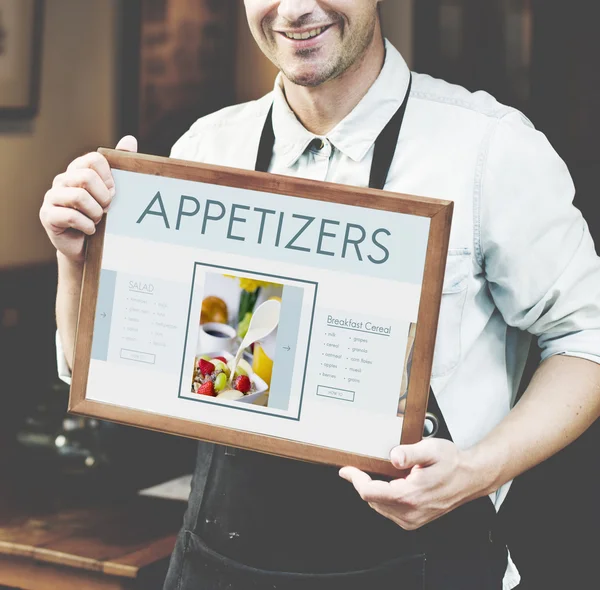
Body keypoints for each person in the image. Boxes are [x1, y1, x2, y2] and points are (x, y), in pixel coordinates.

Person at [40, 1, 600, 589]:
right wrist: (74, 258)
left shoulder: (489, 149)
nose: (297, 7)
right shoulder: (206, 151)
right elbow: (96, 370)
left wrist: (479, 471)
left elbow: (587, 339)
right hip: (220, 567)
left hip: (427, 568)